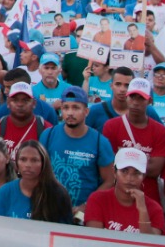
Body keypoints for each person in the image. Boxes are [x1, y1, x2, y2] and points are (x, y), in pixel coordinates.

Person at [39, 86, 114, 216]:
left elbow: (110, 180)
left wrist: (87, 205)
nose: (70, 113)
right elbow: (38, 171)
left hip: (82, 214)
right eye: (66, 107)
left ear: (86, 111)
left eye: (76, 108)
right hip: (49, 209)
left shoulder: (100, 142)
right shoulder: (48, 135)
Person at [101, 79, 165, 203]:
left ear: (150, 101)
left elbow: (155, 170)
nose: (135, 103)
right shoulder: (111, 126)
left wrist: (123, 165)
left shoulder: (160, 131)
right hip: (117, 196)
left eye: (141, 98)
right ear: (126, 98)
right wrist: (140, 165)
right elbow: (109, 165)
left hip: (148, 197)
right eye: (132, 97)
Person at [84, 148, 164, 234]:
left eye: (136, 173)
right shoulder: (97, 199)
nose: (130, 178)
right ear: (114, 172)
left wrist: (143, 210)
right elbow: (94, 240)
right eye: (124, 171)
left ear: (143, 176)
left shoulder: (154, 209)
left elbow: (150, 244)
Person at [0, 140, 73, 223]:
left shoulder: (59, 194)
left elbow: (63, 232)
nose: (28, 165)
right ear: (17, 163)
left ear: (43, 163)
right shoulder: (6, 191)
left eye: (34, 160)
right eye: (23, 159)